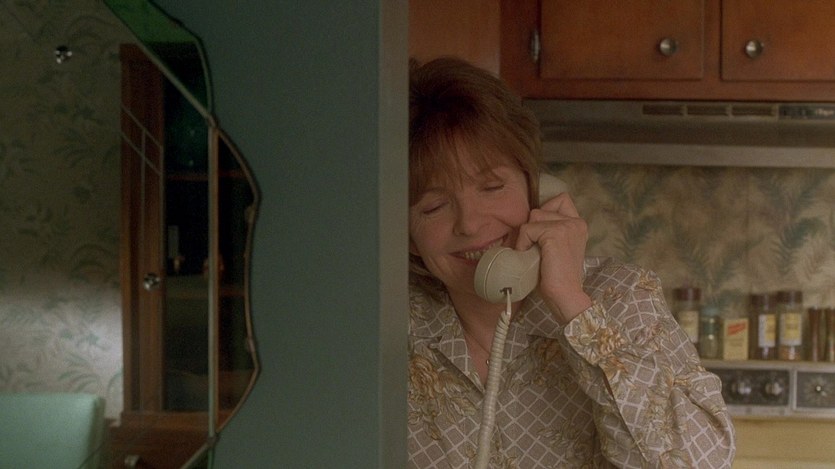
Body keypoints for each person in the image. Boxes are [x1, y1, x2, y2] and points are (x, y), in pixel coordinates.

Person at [407, 57, 735, 468]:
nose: (470, 224)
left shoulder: (622, 295)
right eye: (434, 206)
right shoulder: (385, 326)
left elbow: (701, 463)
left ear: (535, 189)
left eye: (492, 187)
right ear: (407, 233)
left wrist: (571, 305)